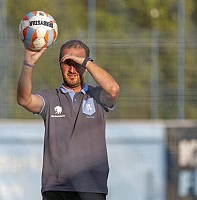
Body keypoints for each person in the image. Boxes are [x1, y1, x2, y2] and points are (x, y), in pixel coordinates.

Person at [17, 39, 120, 200]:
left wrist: (85, 62)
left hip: (92, 187)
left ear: (86, 66)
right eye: (67, 63)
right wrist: (28, 64)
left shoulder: (98, 96)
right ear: (60, 64)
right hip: (57, 187)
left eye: (77, 63)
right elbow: (24, 100)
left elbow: (113, 90)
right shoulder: (50, 98)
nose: (72, 69)